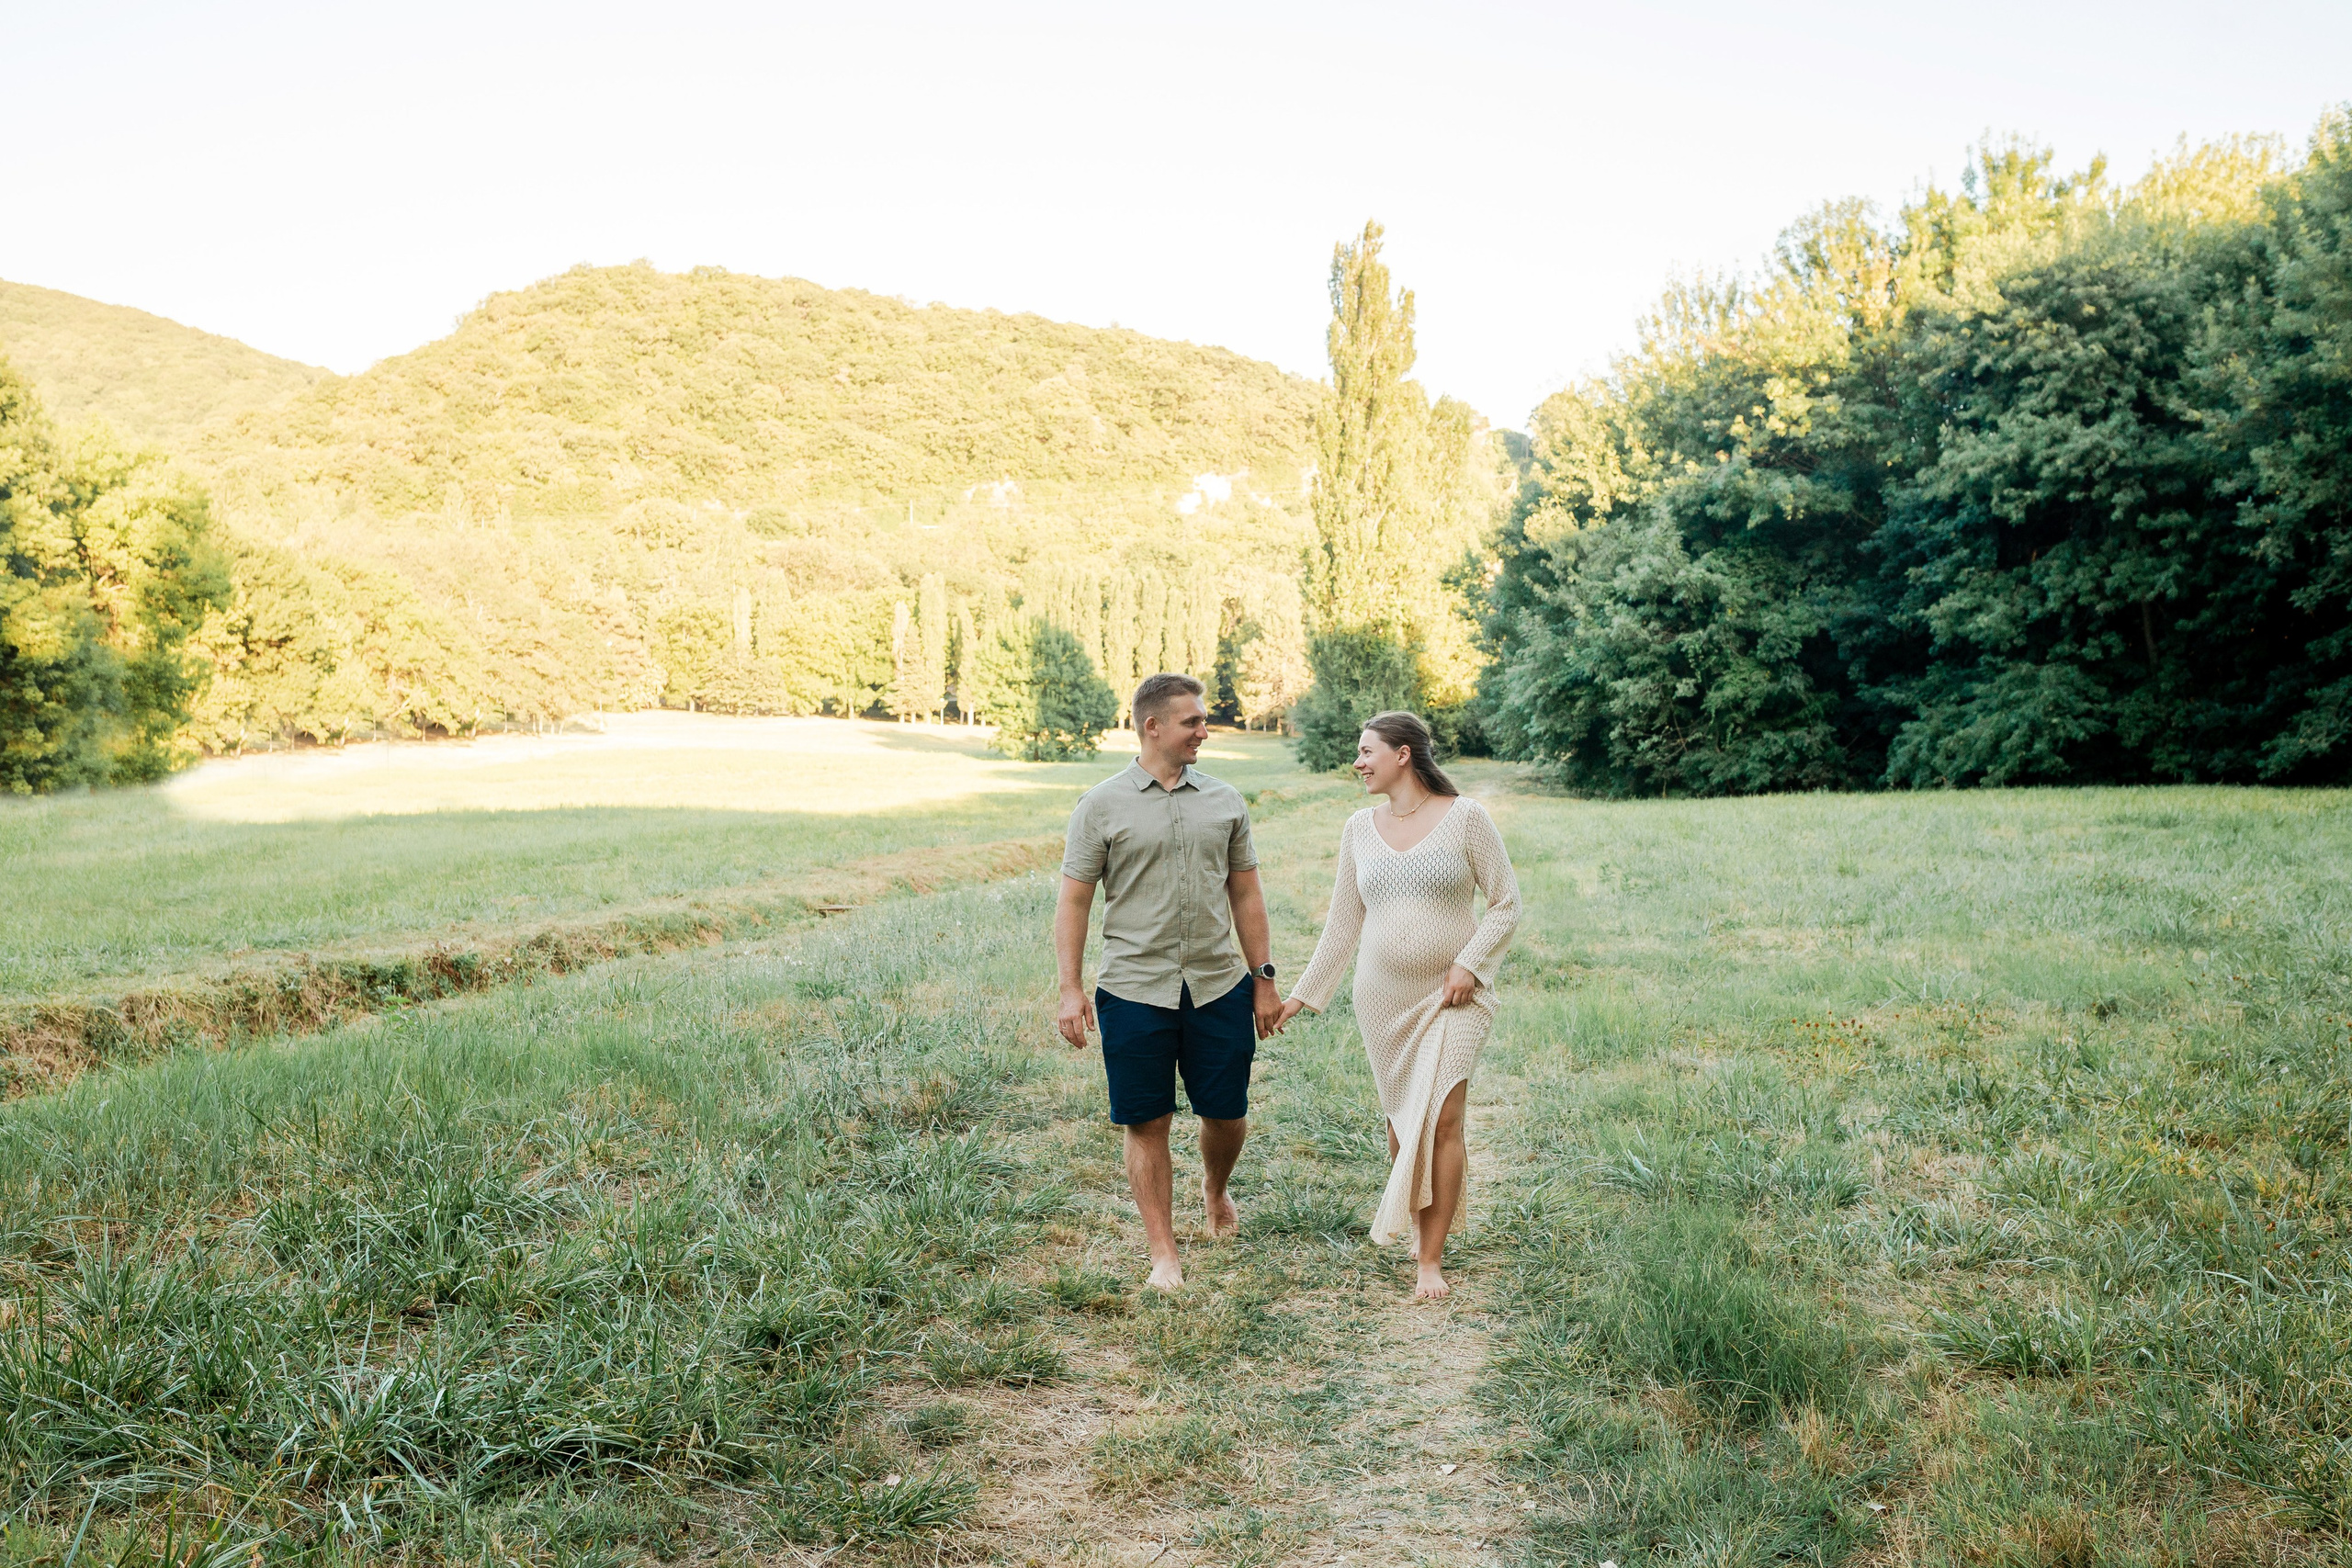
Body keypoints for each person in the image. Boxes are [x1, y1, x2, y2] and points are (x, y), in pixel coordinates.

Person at [1276, 711, 1519, 1300]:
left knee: (1443, 1119)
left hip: (1452, 996)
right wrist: (1304, 994)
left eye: (1366, 752)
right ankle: (1416, 1223)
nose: (1358, 763)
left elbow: (1505, 903)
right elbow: (1342, 924)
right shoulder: (1359, 829)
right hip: (1381, 1000)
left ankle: (1429, 1261)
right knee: (1401, 1122)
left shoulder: (1466, 819)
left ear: (1403, 753)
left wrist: (1469, 964)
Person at [1057, 672, 1286, 1290]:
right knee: (1146, 1119)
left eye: (1203, 720)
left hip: (1218, 984)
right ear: (1152, 726)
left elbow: (1247, 892)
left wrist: (1263, 978)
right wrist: (1070, 986)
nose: (1203, 732)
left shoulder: (1225, 800)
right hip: (1134, 987)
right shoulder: (1100, 805)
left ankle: (1215, 1189)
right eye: (1192, 722)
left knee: (1227, 1112)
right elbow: (1075, 901)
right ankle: (1164, 1252)